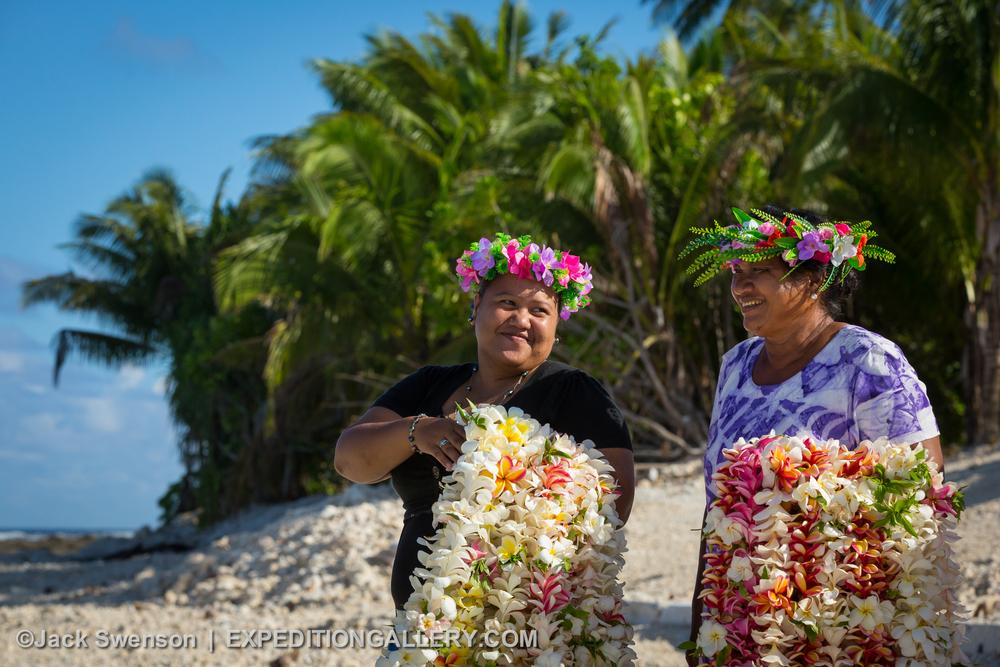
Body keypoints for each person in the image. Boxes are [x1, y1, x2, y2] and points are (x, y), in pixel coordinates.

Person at [680, 206, 945, 663]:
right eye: (735, 272)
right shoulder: (735, 367)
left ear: (812, 280)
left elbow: (922, 487)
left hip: (840, 618)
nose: (739, 287)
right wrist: (705, 612)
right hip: (744, 616)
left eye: (759, 272)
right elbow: (718, 502)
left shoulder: (868, 361)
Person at [334, 232, 636, 611]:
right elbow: (349, 460)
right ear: (476, 307)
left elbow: (614, 505)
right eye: (506, 302)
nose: (521, 319)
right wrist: (417, 431)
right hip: (420, 628)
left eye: (540, 311)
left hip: (525, 627)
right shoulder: (431, 384)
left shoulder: (573, 391)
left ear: (557, 328)